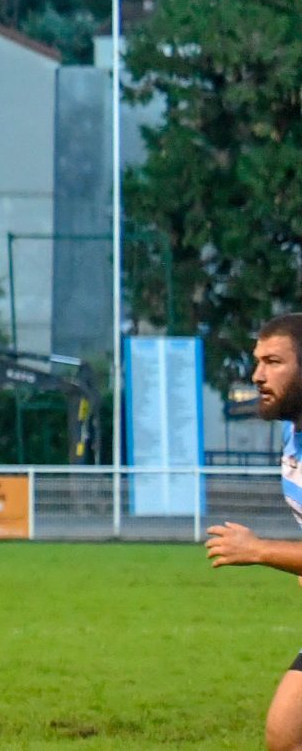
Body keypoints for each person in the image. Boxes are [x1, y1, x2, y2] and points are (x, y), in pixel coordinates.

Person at [203, 313, 302, 751]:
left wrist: (260, 549)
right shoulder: (292, 430)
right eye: (257, 361)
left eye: (273, 362)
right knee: (285, 736)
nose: (257, 375)